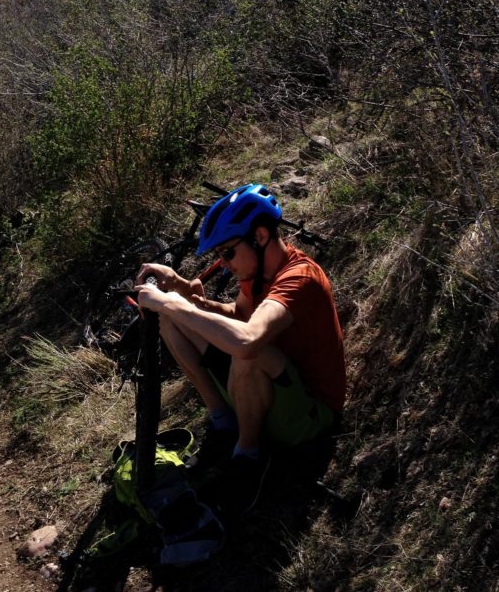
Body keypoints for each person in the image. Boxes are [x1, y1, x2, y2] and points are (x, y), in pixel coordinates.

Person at [131, 183, 347, 488]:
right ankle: (223, 421)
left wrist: (171, 302)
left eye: (228, 253)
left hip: (309, 418)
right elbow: (237, 318)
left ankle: (247, 453)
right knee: (171, 320)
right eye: (220, 256)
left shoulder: (300, 279)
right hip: (274, 390)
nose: (225, 264)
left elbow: (246, 340)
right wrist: (180, 289)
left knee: (249, 351)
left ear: (259, 236)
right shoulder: (256, 276)